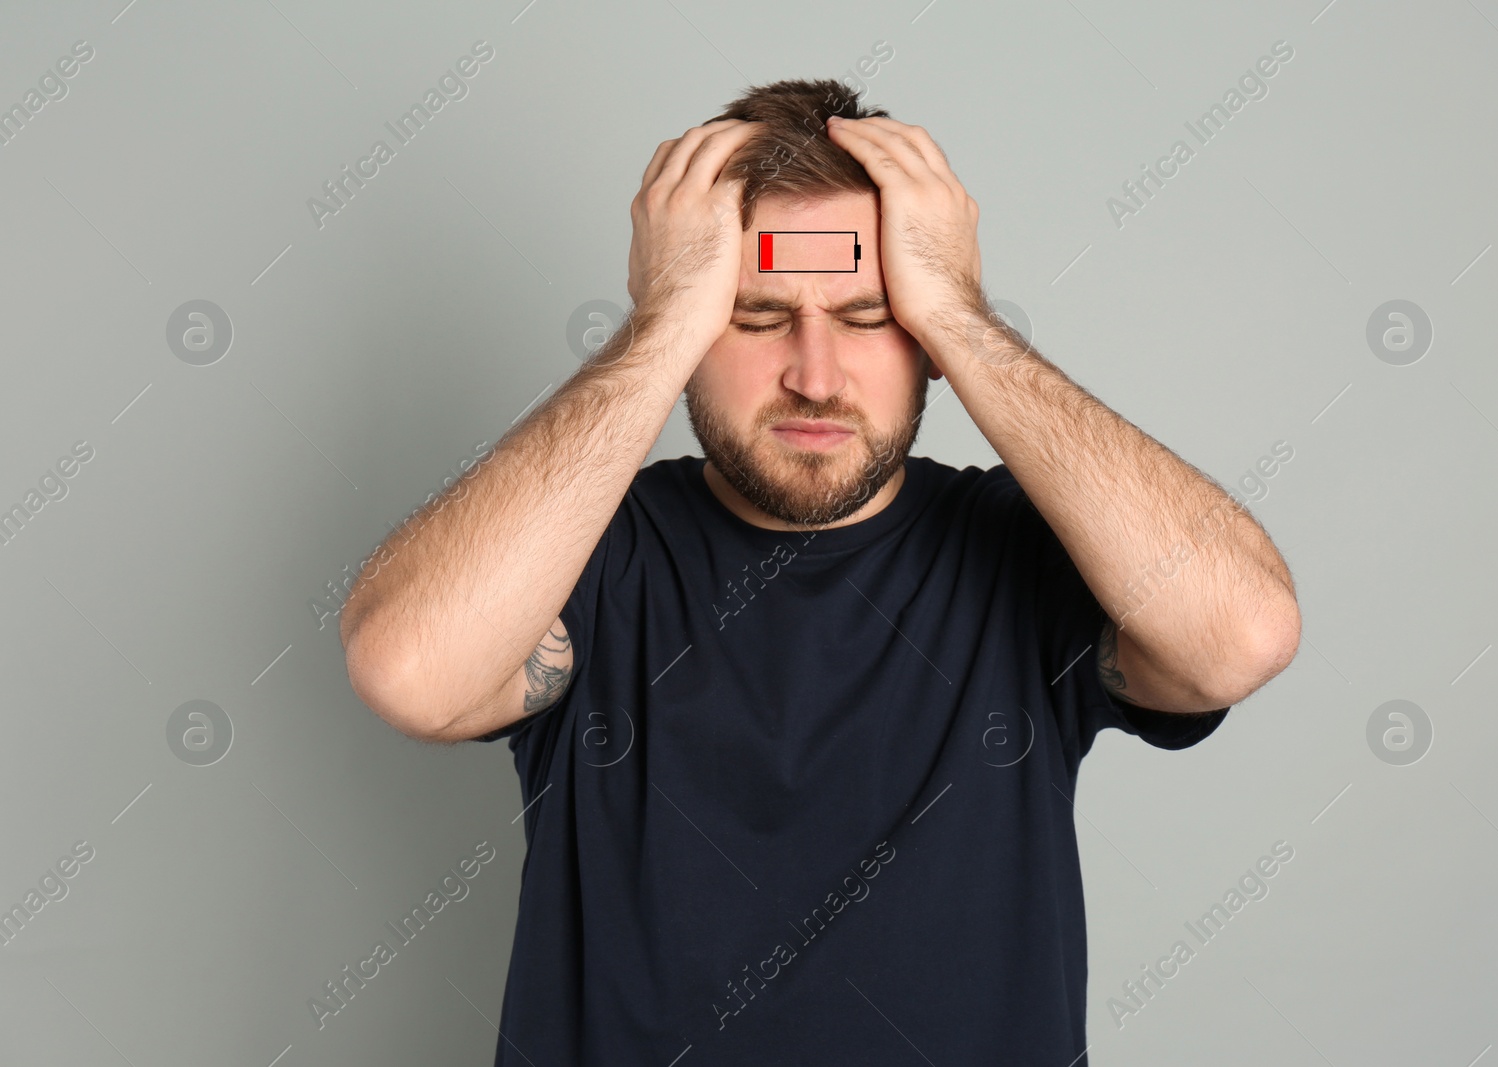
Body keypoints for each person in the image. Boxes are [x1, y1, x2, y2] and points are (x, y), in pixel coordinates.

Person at [339, 77, 1301, 1066]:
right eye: (755, 318)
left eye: (867, 314)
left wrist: (964, 317)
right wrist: (658, 323)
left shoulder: (1020, 550)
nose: (814, 372)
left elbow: (1241, 635)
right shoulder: (588, 550)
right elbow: (409, 668)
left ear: (924, 340)